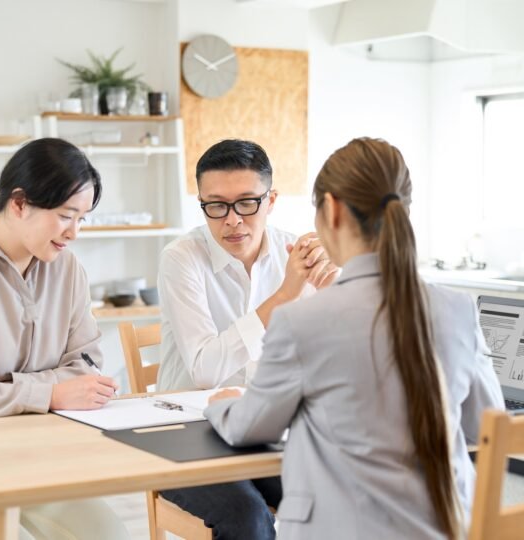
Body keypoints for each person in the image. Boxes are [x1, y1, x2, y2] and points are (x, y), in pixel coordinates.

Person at [205, 137, 504, 540]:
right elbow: (483, 428)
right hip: (449, 527)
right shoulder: (458, 310)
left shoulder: (301, 321)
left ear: (331, 210)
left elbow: (251, 427)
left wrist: (223, 405)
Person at [0, 138, 127, 540]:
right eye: (66, 216)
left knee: (111, 534)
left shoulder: (67, 270)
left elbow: (84, 367)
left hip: (39, 460)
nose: (74, 233)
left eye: (82, 219)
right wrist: (49, 395)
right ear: (19, 203)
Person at [156, 139, 337, 539]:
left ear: (270, 200)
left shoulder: (299, 252)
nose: (232, 220)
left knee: (336, 498)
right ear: (201, 203)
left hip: (267, 429)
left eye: (246, 203)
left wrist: (339, 287)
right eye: (216, 206)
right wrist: (286, 294)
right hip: (186, 436)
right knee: (248, 516)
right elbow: (206, 370)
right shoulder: (181, 258)